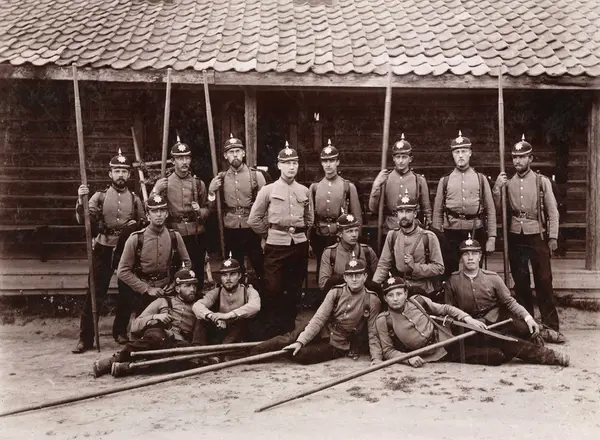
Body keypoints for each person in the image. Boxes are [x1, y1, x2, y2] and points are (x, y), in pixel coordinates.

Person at [376, 276, 569, 367]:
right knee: (496, 356)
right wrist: (408, 359)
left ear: (405, 293)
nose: (395, 299)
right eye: (390, 295)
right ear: (385, 298)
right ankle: (524, 343)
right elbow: (387, 351)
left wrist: (468, 319)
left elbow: (446, 309)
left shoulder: (417, 301)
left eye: (399, 294)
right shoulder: (384, 321)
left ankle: (550, 356)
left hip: (450, 332)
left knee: (498, 338)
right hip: (442, 353)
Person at [73, 149, 145, 353]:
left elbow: (143, 224)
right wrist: (81, 199)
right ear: (110, 174)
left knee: (127, 292)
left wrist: (135, 227)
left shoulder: (135, 199)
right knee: (95, 292)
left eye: (124, 171)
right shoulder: (99, 197)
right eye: (117, 171)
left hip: (126, 250)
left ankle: (120, 331)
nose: (120, 175)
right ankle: (86, 338)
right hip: (103, 247)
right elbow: (84, 219)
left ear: (129, 174)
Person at [493, 135, 564, 341]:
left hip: (537, 235)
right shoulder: (507, 183)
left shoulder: (541, 182)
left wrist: (553, 237)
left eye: (522, 157)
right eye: (515, 157)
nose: (517, 161)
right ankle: (528, 326)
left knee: (544, 281)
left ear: (530, 159)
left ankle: (551, 326)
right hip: (516, 236)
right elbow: (498, 210)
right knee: (521, 282)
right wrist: (497, 188)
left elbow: (553, 212)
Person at [255, 256, 381, 365]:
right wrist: (300, 341)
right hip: (322, 328)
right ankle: (252, 353)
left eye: (358, 275)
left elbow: (373, 332)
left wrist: (376, 358)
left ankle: (273, 354)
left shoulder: (372, 300)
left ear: (365, 277)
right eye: (350, 275)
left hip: (338, 342)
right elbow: (319, 318)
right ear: (345, 277)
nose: (354, 279)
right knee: (289, 339)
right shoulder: (336, 292)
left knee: (301, 355)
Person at [247, 142, 314, 338]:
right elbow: (253, 219)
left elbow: (309, 219)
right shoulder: (268, 190)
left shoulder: (304, 190)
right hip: (276, 245)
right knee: (273, 288)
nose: (291, 167)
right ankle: (274, 330)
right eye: (287, 163)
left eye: (294, 163)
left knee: (294, 289)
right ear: (279, 165)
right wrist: (267, 235)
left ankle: (289, 330)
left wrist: (301, 233)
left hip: (298, 245)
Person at [92, 268, 200, 378]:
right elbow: (135, 325)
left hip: (178, 344)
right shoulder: (163, 301)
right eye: (187, 286)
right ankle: (113, 360)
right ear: (177, 288)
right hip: (157, 339)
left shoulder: (199, 306)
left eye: (194, 286)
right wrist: (155, 316)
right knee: (157, 336)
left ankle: (129, 368)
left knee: (186, 360)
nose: (192, 289)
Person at [445, 236, 545, 345]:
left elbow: (510, 302)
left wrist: (528, 318)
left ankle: (546, 334)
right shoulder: (453, 281)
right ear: (461, 258)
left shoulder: (492, 278)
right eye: (466, 254)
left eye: (474, 254)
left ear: (480, 256)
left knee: (526, 330)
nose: (470, 258)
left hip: (496, 319)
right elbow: (449, 309)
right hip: (471, 323)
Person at [117, 194, 192, 320]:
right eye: (154, 211)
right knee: (142, 325)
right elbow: (122, 271)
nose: (159, 214)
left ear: (167, 214)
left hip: (167, 290)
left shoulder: (175, 236)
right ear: (148, 215)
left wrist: (176, 282)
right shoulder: (136, 239)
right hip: (142, 293)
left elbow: (187, 263)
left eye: (162, 210)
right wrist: (147, 288)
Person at [151, 137, 213, 287]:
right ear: (173, 161)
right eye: (180, 158)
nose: (184, 162)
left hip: (195, 233)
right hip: (174, 233)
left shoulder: (198, 183)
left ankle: (196, 296)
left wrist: (200, 211)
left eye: (187, 158)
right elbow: (152, 206)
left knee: (196, 270)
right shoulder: (164, 184)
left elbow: (208, 208)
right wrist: (155, 190)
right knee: (175, 270)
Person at [432, 131, 496, 277]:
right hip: (450, 231)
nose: (460, 155)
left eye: (464, 151)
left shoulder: (480, 179)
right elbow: (437, 212)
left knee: (475, 270)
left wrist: (492, 238)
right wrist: (437, 238)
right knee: (449, 271)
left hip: (475, 229)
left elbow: (491, 210)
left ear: (470, 153)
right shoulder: (445, 180)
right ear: (452, 155)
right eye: (457, 152)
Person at [207, 135, 266, 287]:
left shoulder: (256, 175)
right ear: (225, 155)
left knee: (259, 265)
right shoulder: (221, 178)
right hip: (231, 227)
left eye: (238, 151)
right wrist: (211, 191)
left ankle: (263, 295)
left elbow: (266, 205)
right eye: (231, 152)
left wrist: (264, 232)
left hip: (252, 226)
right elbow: (211, 206)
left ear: (243, 153)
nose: (235, 155)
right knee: (234, 266)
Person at [309, 139, 362, 282]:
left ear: (337, 162)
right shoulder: (315, 187)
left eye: (331, 160)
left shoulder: (348, 187)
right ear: (321, 163)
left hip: (340, 236)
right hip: (320, 235)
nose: (328, 164)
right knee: (322, 272)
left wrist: (354, 240)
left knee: (341, 270)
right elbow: (310, 217)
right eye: (325, 161)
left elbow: (357, 217)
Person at [373, 191, 444, 295]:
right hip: (399, 288)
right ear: (397, 214)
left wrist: (415, 266)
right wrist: (374, 286)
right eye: (401, 212)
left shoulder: (428, 237)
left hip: (423, 289)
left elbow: (439, 268)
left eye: (408, 211)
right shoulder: (392, 235)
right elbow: (384, 265)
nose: (404, 215)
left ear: (415, 214)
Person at [369, 134, 431, 235]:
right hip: (390, 228)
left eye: (404, 157)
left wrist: (428, 224)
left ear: (410, 159)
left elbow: (427, 209)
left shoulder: (419, 180)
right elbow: (373, 208)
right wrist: (376, 185)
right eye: (398, 157)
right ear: (393, 158)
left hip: (413, 229)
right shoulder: (385, 179)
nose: (400, 161)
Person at [192, 255, 261, 346]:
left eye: (232, 274)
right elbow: (197, 306)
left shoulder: (248, 291)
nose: (228, 278)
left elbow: (255, 306)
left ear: (239, 276)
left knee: (241, 321)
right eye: (224, 275)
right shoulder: (217, 292)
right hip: (221, 330)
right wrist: (212, 316)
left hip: (241, 335)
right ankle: (197, 350)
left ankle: (223, 351)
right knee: (201, 319)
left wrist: (228, 315)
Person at [319, 213, 378, 295]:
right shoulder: (330, 253)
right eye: (349, 231)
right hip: (339, 296)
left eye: (356, 230)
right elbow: (323, 283)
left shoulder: (367, 251)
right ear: (340, 233)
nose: (354, 235)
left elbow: (377, 281)